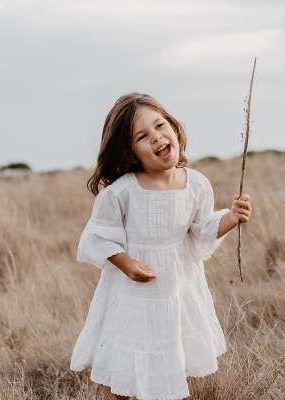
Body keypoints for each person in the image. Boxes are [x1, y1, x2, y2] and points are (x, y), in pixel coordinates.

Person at [70, 93, 252, 400]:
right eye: (143, 136)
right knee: (122, 368)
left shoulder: (196, 184)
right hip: (132, 294)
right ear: (130, 154)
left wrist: (231, 218)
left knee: (169, 358)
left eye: (160, 125)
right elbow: (100, 237)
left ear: (174, 128)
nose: (156, 137)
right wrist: (127, 264)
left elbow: (201, 230)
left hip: (175, 289)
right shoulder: (121, 193)